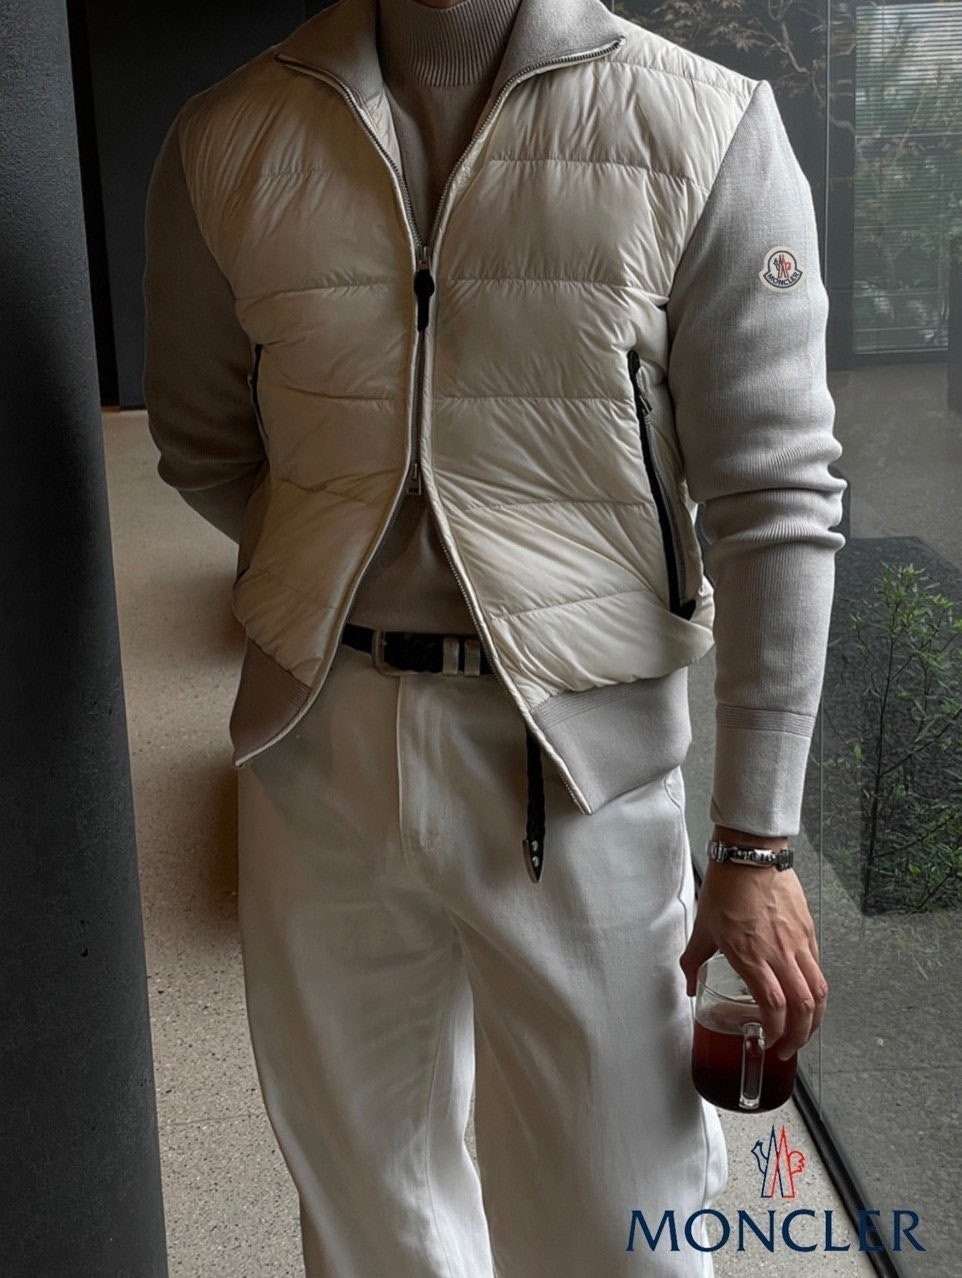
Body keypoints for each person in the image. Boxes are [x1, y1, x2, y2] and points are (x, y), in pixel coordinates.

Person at [143, 0, 844, 1273]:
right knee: (366, 1203)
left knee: (617, 1209)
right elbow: (202, 441)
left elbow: (773, 501)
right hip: (315, 742)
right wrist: (334, 568)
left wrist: (754, 842)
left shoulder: (703, 124)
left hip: (575, 762)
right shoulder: (229, 133)